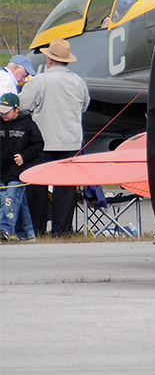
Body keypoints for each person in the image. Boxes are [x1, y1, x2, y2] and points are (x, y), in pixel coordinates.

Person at [20, 38, 89, 237]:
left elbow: (24, 106)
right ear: (67, 60)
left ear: (49, 60)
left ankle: (38, 229)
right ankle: (62, 230)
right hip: (70, 141)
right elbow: (84, 106)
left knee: (37, 187)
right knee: (66, 189)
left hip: (44, 141)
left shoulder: (40, 81)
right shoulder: (78, 82)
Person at [0, 92, 44, 242]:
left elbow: (39, 144)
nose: (3, 114)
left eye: (6, 112)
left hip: (18, 171)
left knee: (10, 198)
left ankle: (4, 229)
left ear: (16, 109)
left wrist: (24, 156)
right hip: (1, 170)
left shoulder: (28, 124)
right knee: (16, 201)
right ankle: (26, 233)